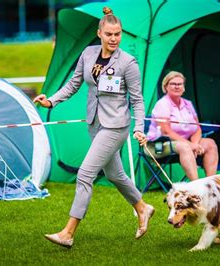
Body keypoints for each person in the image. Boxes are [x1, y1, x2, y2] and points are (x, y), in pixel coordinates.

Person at [33, 7, 154, 248]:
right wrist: (52, 101)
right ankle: (143, 207)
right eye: (109, 34)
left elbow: (137, 100)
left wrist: (139, 127)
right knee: (115, 175)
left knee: (85, 174)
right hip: (94, 123)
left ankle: (68, 233)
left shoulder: (128, 63)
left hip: (116, 126)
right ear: (99, 33)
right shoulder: (88, 54)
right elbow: (74, 84)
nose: (113, 39)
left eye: (117, 34)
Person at [146, 71, 218, 181]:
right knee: (184, 147)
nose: (177, 87)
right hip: (158, 146)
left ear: (183, 87)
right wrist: (190, 145)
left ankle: (211, 184)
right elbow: (166, 132)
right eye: (173, 84)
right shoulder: (162, 104)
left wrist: (194, 144)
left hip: (184, 143)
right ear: (165, 87)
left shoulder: (187, 104)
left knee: (210, 143)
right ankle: (196, 187)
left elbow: (197, 128)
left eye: (180, 84)